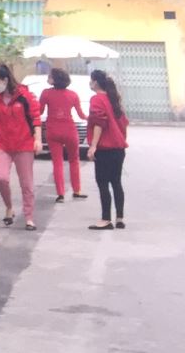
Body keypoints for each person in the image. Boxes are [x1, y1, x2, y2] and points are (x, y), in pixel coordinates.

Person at [0, 63, 40, 230]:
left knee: (26, 184)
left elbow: (35, 118)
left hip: (24, 144)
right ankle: (9, 207)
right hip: (3, 144)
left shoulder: (24, 95)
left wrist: (37, 139)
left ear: (5, 80)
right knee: (1, 178)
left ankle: (29, 217)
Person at [87, 68, 130, 231]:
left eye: (91, 80)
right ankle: (119, 218)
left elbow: (99, 123)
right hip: (118, 148)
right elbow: (124, 125)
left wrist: (93, 146)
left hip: (105, 148)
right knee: (116, 182)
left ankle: (105, 219)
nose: (90, 83)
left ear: (95, 82)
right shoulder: (114, 100)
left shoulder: (97, 99)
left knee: (103, 182)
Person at [39, 67, 88, 203]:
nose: (48, 78)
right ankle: (77, 190)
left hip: (53, 131)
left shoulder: (46, 93)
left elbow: (39, 111)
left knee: (57, 162)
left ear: (55, 79)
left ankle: (60, 194)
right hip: (69, 130)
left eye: (50, 76)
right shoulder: (73, 95)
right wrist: (91, 118)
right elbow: (81, 115)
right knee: (74, 160)